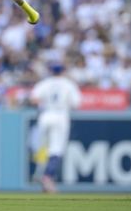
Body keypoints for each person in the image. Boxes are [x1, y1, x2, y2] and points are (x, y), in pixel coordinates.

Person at [29, 63, 81, 193]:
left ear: (51, 71)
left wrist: (44, 104)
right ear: (63, 71)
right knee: (56, 149)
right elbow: (76, 103)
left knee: (42, 147)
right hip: (60, 116)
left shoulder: (45, 83)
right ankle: (47, 176)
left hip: (45, 116)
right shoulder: (68, 84)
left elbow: (33, 99)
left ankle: (39, 172)